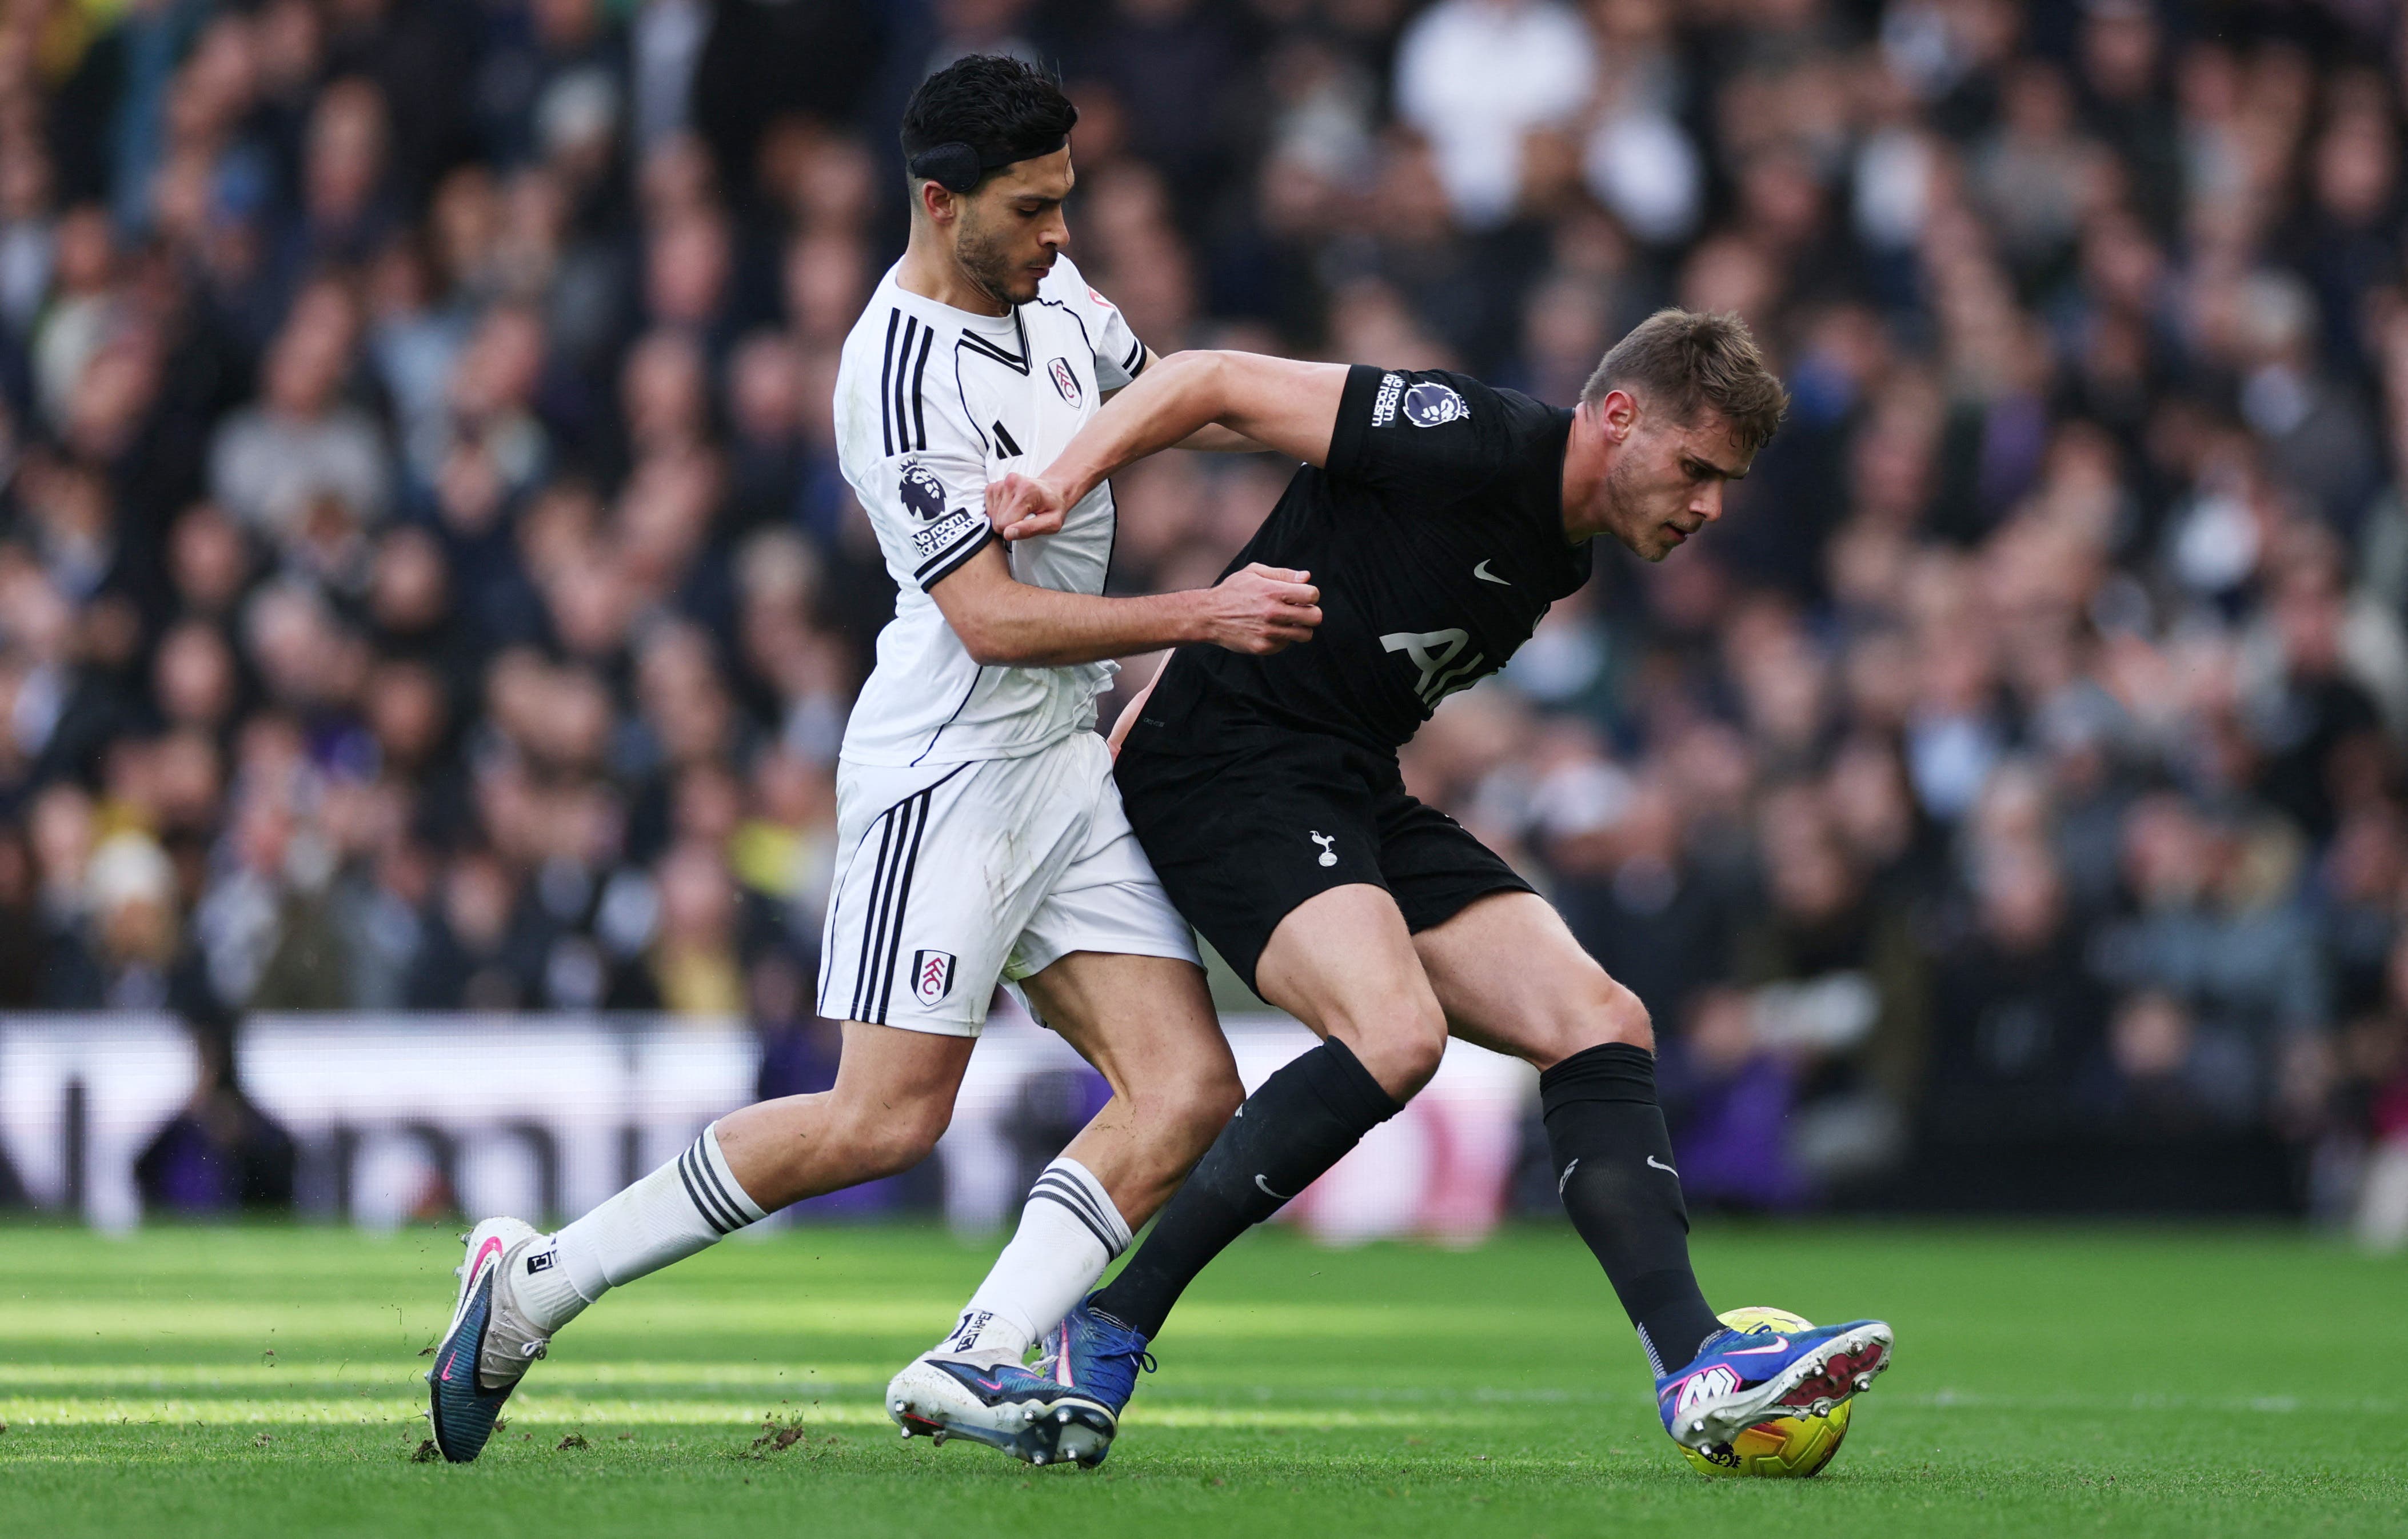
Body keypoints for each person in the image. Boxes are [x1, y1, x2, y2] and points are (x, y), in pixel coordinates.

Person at [428, 55, 1322, 1466]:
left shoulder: (1057, 297)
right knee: (881, 1119)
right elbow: (987, 616)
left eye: (1066, 204)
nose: (1061, 236)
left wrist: (1366, 427)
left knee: (1189, 1089)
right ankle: (535, 1288)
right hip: (949, 769)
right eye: (1033, 211)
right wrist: (1198, 620)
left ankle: (975, 1356)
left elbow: (1174, 401)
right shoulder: (893, 371)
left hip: (1062, 763)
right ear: (938, 201)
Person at [979, 308, 1893, 1461]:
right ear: (1616, 418)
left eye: (1727, 483)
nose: (1709, 505)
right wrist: (1062, 480)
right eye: (1695, 467)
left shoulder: (1565, 547)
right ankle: (1105, 1328)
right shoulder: (1467, 435)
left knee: (1599, 1022)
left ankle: (1694, 1361)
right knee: (1394, 1033)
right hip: (1228, 767)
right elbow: (1211, 379)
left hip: (1345, 784)